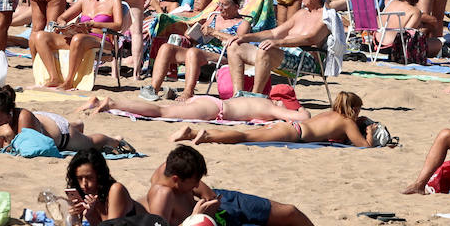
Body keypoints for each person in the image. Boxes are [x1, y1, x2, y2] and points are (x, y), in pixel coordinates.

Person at [140, 145, 355, 226]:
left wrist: (210, 201)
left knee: (290, 211)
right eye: (192, 182)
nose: (196, 185)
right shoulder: (162, 194)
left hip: (225, 204)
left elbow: (206, 191)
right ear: (176, 180)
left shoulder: (169, 168)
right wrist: (195, 218)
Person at [224, 0, 330, 97]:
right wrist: (245, 37)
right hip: (283, 54)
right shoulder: (301, 13)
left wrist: (277, 42)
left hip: (306, 60)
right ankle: (237, 95)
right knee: (234, 47)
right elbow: (274, 33)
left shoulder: (326, 17)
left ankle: (255, 96)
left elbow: (310, 38)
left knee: (266, 50)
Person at [174, 90, 380, 147]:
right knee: (245, 138)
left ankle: (192, 132)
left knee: (246, 135)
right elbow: (364, 146)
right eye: (359, 110)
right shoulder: (347, 122)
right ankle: (206, 136)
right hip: (293, 133)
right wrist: (369, 132)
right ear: (353, 108)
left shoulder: (331, 114)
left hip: (290, 127)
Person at [0, 86, 126, 153]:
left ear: (10, 114)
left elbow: (27, 149)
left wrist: (8, 136)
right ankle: (77, 125)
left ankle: (113, 139)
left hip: (60, 133)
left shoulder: (23, 117)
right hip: (43, 122)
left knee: (90, 143)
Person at [85, 86, 310, 125]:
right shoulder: (271, 107)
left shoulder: (260, 98)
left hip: (210, 102)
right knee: (162, 112)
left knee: (164, 109)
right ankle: (113, 102)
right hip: (215, 109)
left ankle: (106, 101)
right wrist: (300, 109)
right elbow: (303, 119)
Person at [66, 149, 137, 226]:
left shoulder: (115, 190)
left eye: (89, 177)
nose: (84, 184)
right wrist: (74, 215)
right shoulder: (88, 195)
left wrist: (92, 214)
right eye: (79, 178)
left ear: (99, 175)